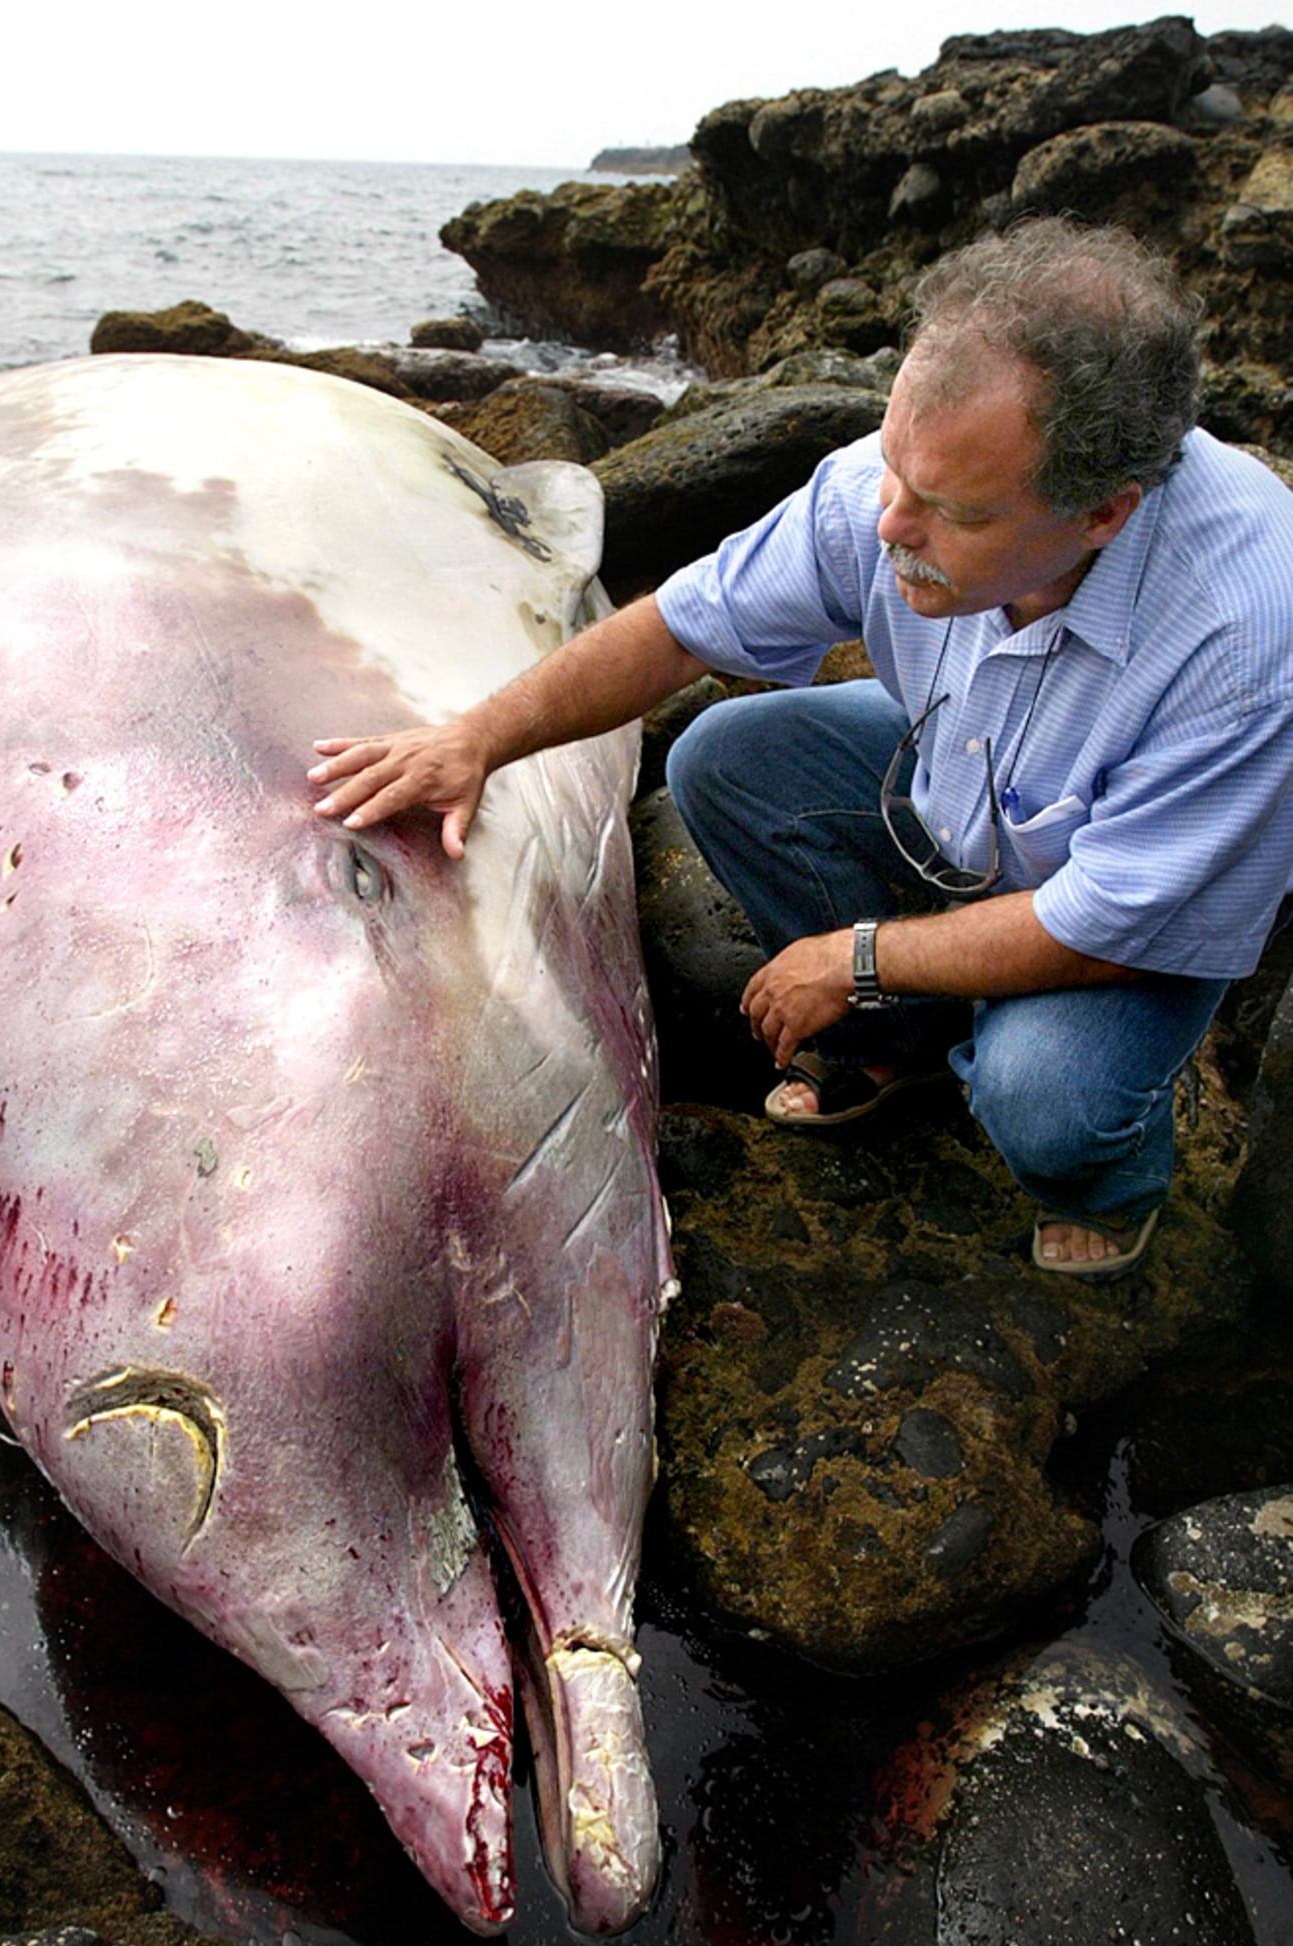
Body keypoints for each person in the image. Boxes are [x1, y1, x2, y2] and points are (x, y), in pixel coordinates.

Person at [307, 217, 1293, 1281]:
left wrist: (855, 956)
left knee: (1047, 1098)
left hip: (1133, 899)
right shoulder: (898, 484)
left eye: (948, 511)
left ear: (1103, 511)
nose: (888, 526)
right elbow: (683, 626)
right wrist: (478, 738)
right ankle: (903, 1046)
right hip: (981, 774)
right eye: (895, 471)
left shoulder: (1246, 633)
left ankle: (1116, 1173)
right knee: (725, 757)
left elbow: (1108, 924)